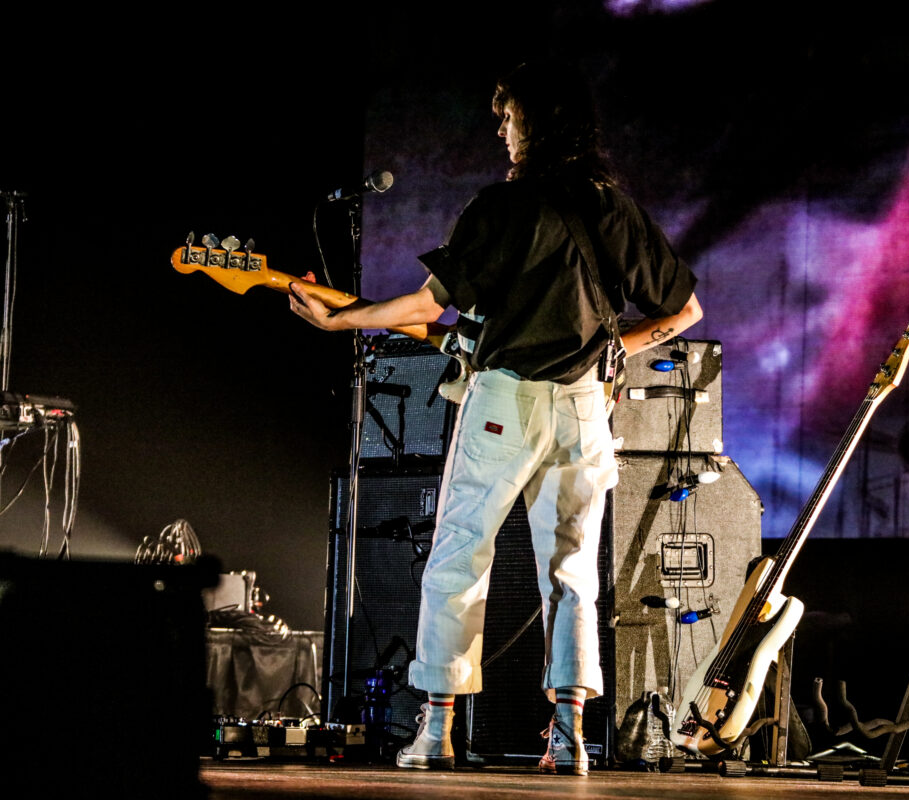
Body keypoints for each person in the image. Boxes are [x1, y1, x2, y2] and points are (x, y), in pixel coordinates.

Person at [289, 61, 702, 776]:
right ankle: (569, 736)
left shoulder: (500, 208)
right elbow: (685, 311)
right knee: (574, 571)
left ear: (536, 121)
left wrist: (342, 321)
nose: (502, 128)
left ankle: (438, 729)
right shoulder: (614, 206)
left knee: (458, 558)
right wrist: (611, 351)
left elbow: (427, 307)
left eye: (509, 115)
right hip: (583, 408)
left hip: (504, 404)